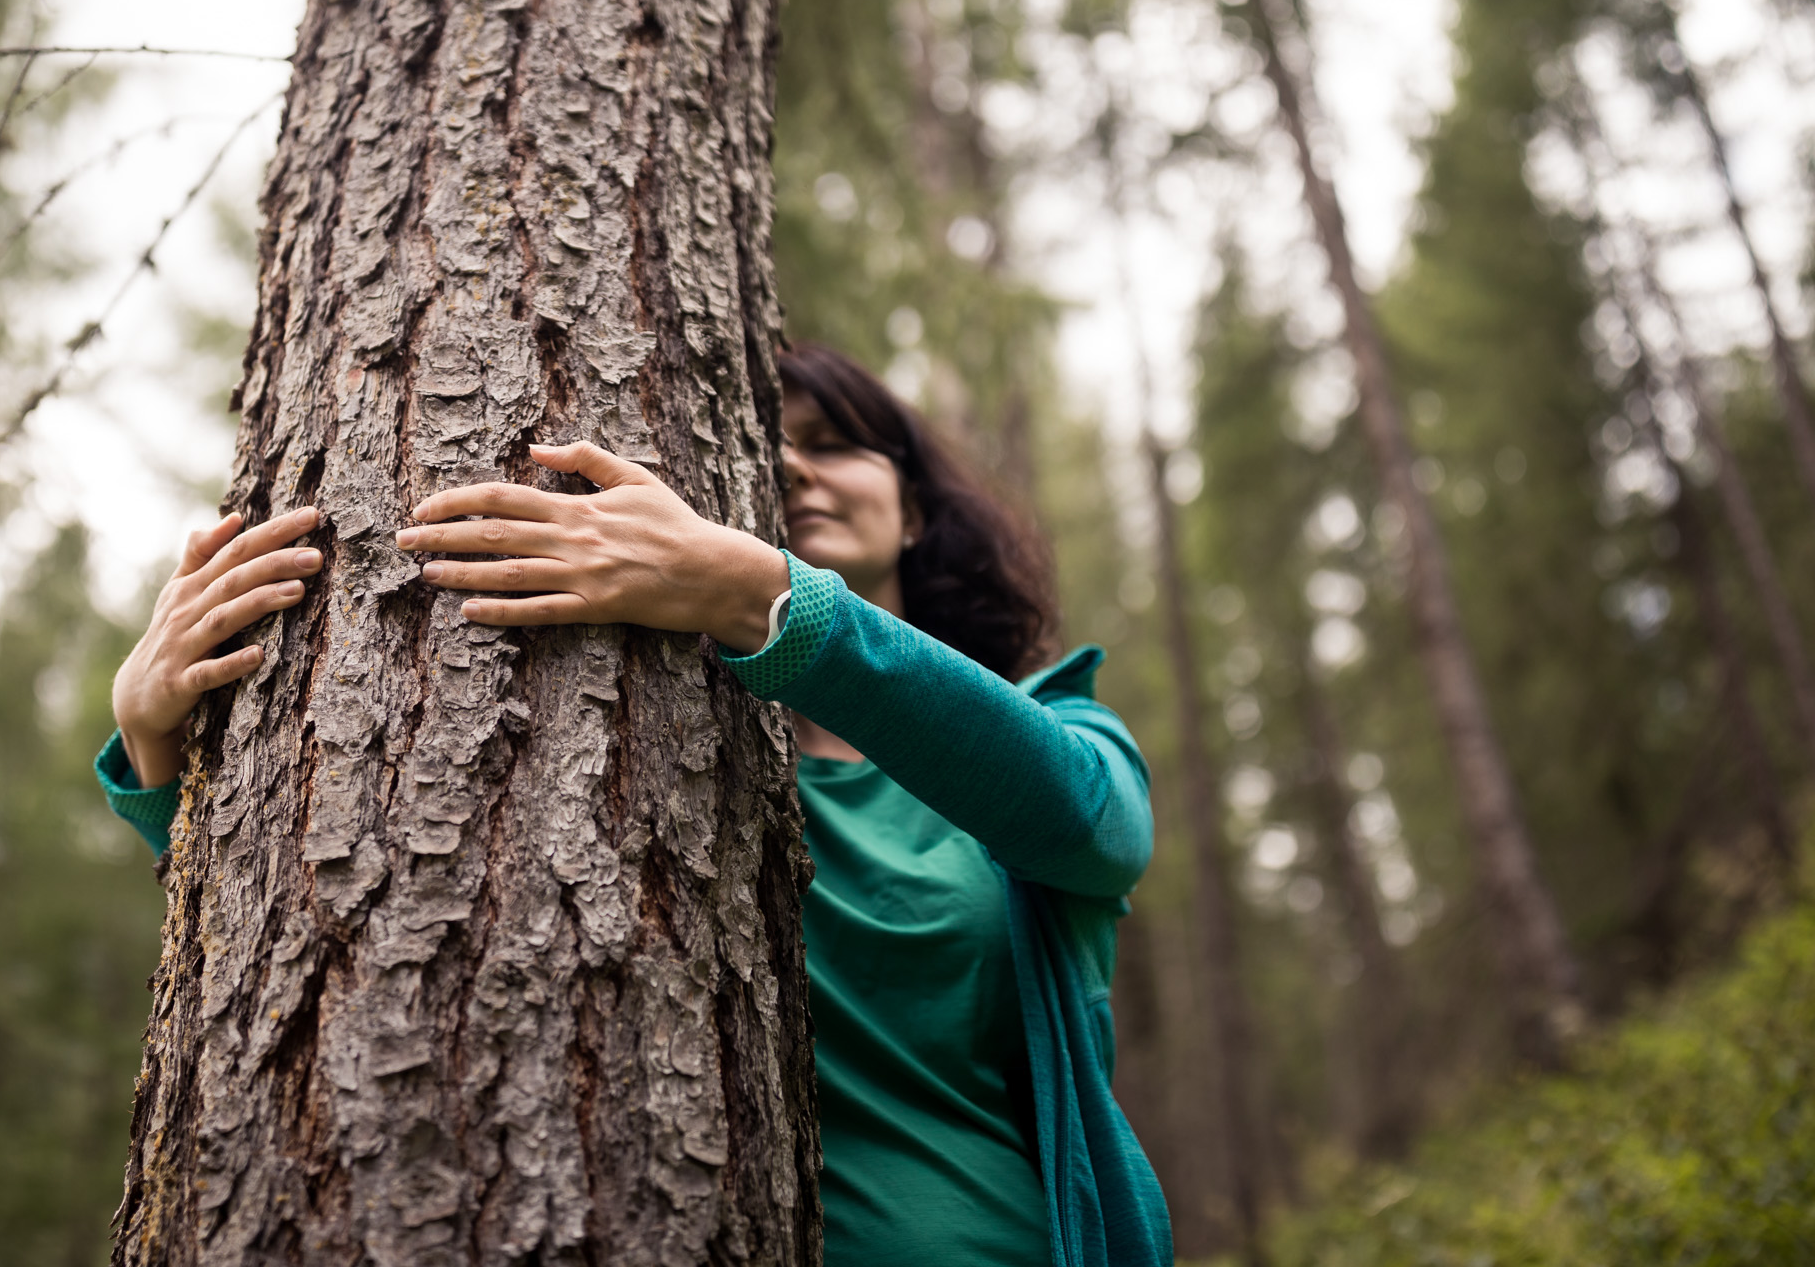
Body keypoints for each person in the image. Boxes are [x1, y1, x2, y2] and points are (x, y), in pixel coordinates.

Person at [97, 344, 1171, 1267]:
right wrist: (163, 750)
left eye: (835, 439)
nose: (793, 462)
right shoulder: (699, 750)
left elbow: (1092, 822)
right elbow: (291, 956)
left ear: (917, 507)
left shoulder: (1043, 725)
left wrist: (763, 597)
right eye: (766, 437)